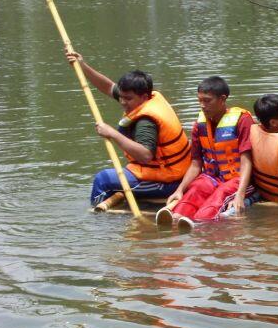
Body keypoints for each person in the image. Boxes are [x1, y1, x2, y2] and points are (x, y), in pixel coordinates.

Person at [66, 51, 190, 207]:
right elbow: (109, 87)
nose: (122, 102)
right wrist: (82, 66)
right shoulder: (145, 98)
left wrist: (112, 133)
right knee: (113, 179)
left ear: (144, 96)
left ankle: (97, 222)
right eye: (122, 97)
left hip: (168, 181)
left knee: (103, 179)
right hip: (162, 172)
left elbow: (145, 155)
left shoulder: (146, 121)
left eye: (128, 98)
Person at [157, 76, 253, 230]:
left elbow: (247, 160)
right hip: (211, 177)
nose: (202, 105)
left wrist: (240, 194)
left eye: (207, 101)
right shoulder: (199, 125)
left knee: (217, 198)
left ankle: (201, 224)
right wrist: (180, 189)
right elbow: (196, 163)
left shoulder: (242, 121)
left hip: (238, 179)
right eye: (199, 100)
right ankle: (176, 218)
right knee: (196, 189)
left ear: (222, 99)